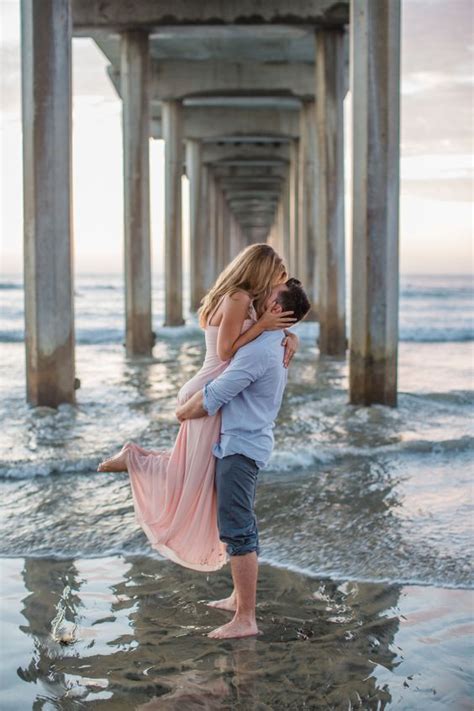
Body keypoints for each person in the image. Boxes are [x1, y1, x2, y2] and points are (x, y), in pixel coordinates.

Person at [97, 244, 299, 573]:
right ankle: (134, 458)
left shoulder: (241, 300)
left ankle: (135, 457)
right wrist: (263, 327)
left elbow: (243, 336)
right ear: (260, 273)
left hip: (212, 392)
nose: (277, 287)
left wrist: (288, 334)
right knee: (191, 476)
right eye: (276, 278)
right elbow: (225, 352)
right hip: (206, 391)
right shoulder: (238, 298)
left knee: (193, 472)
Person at [176, 278, 311, 639]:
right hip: (243, 440)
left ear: (278, 310)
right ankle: (239, 597)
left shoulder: (263, 348)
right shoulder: (274, 341)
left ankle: (246, 618)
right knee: (240, 522)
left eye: (269, 296)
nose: (260, 297)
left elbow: (219, 391)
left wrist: (184, 411)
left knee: (237, 527)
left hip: (242, 445)